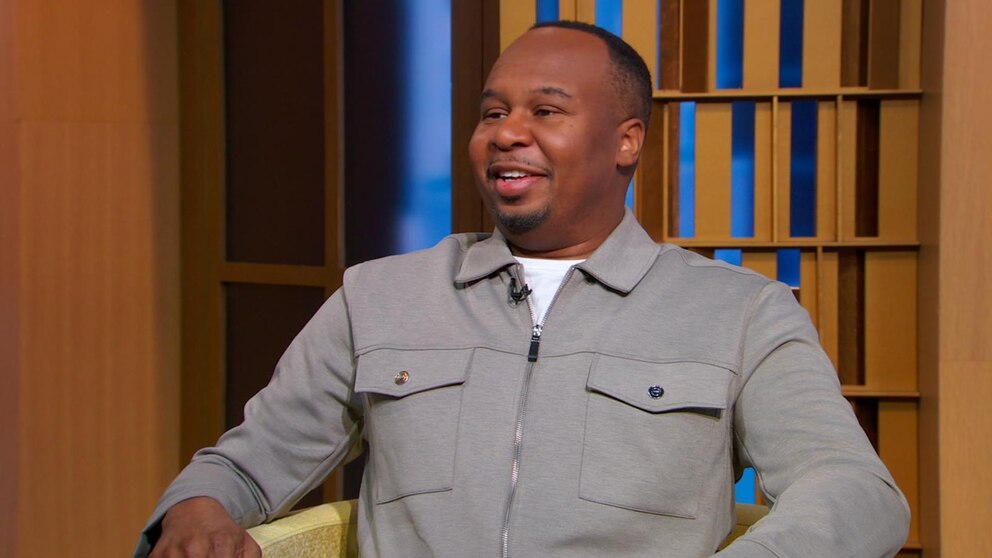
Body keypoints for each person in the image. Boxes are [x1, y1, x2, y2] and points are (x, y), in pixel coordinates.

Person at [137, 21, 910, 558]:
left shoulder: (741, 312)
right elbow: (247, 463)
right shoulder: (377, 297)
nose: (506, 132)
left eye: (545, 111)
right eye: (492, 112)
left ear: (627, 141)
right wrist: (198, 509)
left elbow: (854, 490)